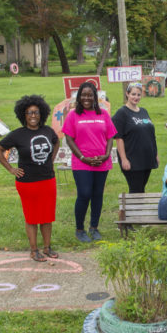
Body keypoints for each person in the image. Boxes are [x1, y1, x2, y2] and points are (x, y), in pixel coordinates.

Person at [0, 95, 59, 262]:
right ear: (24, 115)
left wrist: (51, 160)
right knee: (32, 217)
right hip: (27, 183)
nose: (33, 116)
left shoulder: (48, 131)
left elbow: (56, 142)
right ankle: (34, 250)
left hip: (48, 180)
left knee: (47, 216)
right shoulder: (18, 134)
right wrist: (10, 169)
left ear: (41, 113)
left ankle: (47, 247)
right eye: (29, 112)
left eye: (36, 112)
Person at [62, 82, 118, 243]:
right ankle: (79, 229)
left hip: (101, 162)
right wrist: (82, 157)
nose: (86, 98)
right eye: (83, 95)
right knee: (84, 193)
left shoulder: (103, 114)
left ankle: (94, 227)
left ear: (95, 97)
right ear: (79, 97)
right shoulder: (73, 115)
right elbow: (69, 139)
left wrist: (106, 155)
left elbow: (110, 136)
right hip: (82, 162)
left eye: (90, 95)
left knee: (97, 194)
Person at [112, 82, 159, 193]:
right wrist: (124, 159)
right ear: (127, 94)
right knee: (136, 190)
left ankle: (139, 205)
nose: (136, 97)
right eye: (133, 94)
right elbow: (119, 138)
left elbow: (151, 135)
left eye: (138, 95)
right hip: (132, 159)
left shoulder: (143, 111)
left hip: (147, 158)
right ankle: (133, 205)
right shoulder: (122, 113)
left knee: (141, 189)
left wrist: (155, 154)